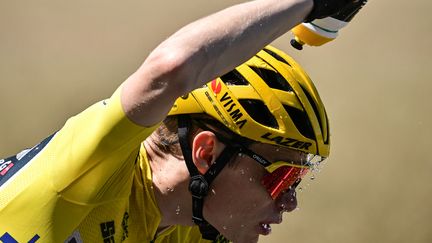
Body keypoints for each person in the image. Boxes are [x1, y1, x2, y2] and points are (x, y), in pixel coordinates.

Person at [0, 0, 357, 242]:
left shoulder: (197, 224)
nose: (290, 202)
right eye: (282, 177)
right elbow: (172, 68)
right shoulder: (90, 175)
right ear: (205, 153)